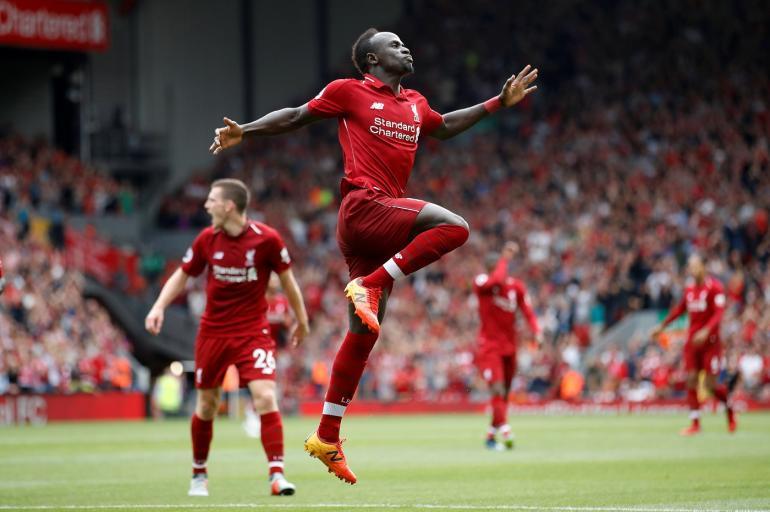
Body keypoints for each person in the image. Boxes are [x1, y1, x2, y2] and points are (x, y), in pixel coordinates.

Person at [209, 28, 538, 484]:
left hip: (381, 231)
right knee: (455, 226)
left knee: (364, 333)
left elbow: (445, 127)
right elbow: (297, 115)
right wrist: (245, 130)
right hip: (364, 207)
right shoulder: (350, 92)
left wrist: (497, 102)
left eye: (406, 42)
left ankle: (326, 436)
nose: (405, 47)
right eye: (394, 44)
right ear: (371, 58)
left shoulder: (417, 103)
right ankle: (373, 282)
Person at [145, 179, 310, 497]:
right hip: (213, 333)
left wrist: (301, 321)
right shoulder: (207, 239)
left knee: (265, 397)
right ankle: (198, 475)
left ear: (228, 206)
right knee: (207, 406)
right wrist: (158, 306)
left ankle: (277, 475)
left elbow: (288, 283)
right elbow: (182, 274)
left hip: (253, 332)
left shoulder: (268, 240)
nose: (206, 206)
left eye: (211, 200)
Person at [651, 254, 737, 435]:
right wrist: (662, 326)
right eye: (690, 267)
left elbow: (719, 313)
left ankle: (729, 409)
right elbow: (679, 310)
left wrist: (707, 330)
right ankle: (695, 424)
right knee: (690, 379)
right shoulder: (689, 289)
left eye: (695, 266)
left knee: (711, 386)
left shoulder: (715, 288)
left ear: (703, 267)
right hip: (692, 341)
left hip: (710, 343)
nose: (692, 270)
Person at [473, 242, 542, 451]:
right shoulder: (482, 281)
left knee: (503, 395)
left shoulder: (516, 287)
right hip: (489, 347)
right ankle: (505, 429)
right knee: (497, 389)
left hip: (510, 347)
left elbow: (528, 311)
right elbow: (495, 280)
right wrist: (505, 258)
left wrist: (537, 331)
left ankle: (490, 438)